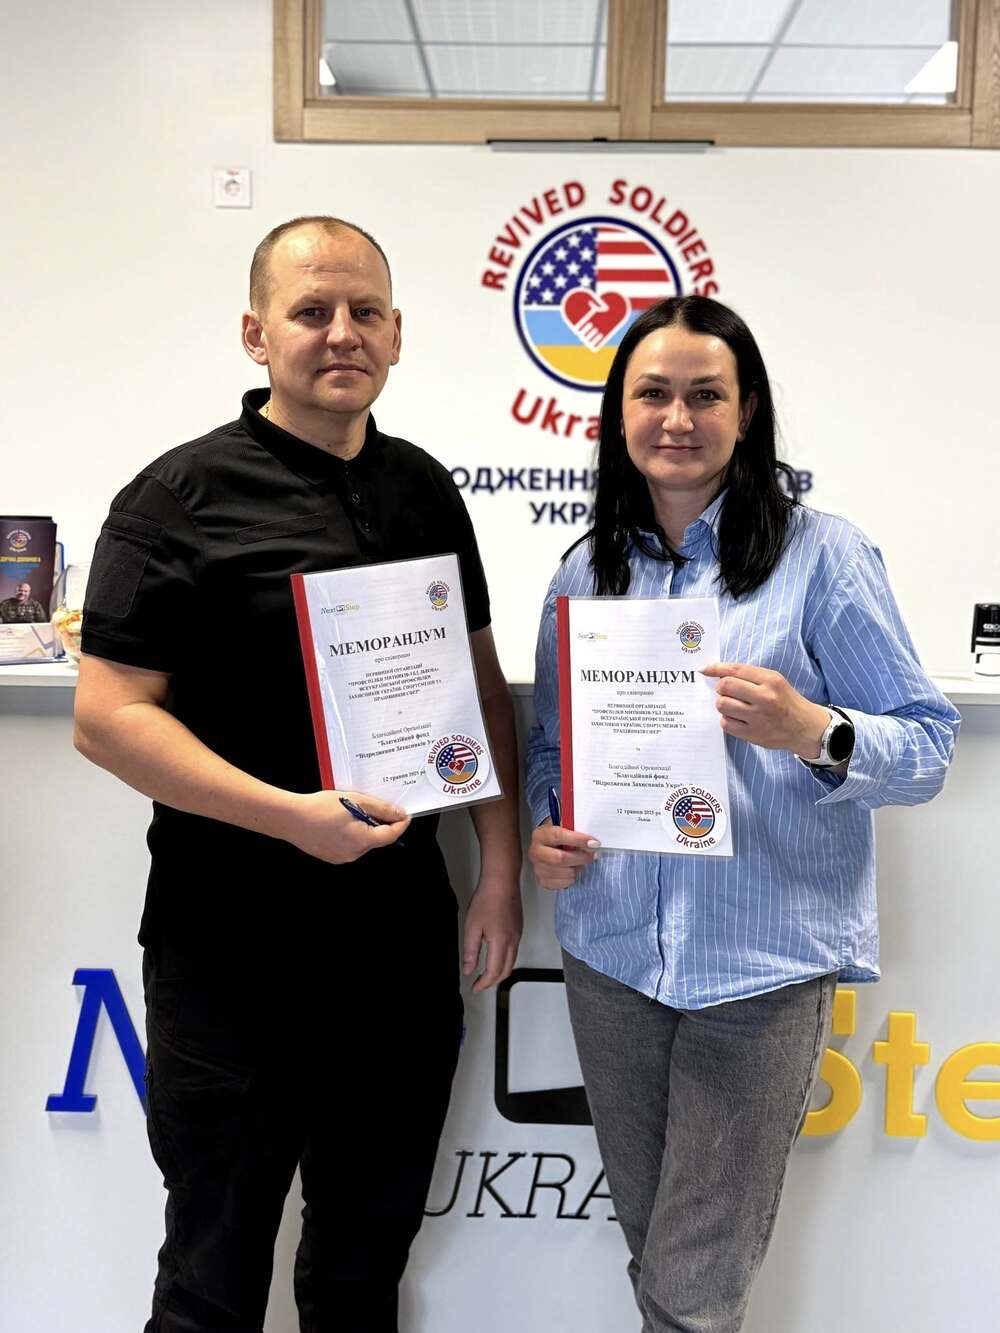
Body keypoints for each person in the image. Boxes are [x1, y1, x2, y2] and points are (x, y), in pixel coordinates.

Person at [74, 215, 522, 1333]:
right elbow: (108, 717)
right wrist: (288, 817)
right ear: (256, 333)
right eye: (311, 311)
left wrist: (501, 870)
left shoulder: (424, 491)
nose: (341, 333)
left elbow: (474, 688)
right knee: (210, 1282)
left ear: (397, 333)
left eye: (365, 311)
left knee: (361, 1276)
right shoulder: (174, 498)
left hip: (395, 953)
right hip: (231, 953)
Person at [526, 295, 959, 1333]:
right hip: (613, 956)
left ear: (747, 411)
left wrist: (813, 727)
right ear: (618, 413)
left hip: (757, 965)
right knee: (660, 1258)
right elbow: (552, 748)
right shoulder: (584, 570)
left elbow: (927, 748)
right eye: (653, 393)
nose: (677, 418)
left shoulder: (823, 557)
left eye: (705, 395)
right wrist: (549, 822)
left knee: (694, 1285)